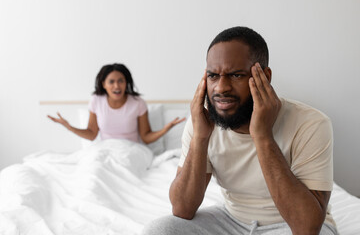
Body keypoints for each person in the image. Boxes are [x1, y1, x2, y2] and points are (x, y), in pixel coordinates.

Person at [142, 27, 338, 235]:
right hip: (231, 220)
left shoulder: (310, 123)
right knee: (159, 230)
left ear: (265, 76)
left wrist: (262, 136)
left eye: (235, 75)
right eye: (213, 76)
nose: (221, 88)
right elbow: (182, 208)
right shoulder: (202, 122)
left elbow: (307, 227)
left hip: (289, 227)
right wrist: (200, 137)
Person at [48, 63, 185, 145]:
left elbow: (146, 137)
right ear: (103, 84)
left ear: (127, 83)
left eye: (121, 81)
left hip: (130, 151)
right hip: (106, 150)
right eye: (111, 82)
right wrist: (69, 127)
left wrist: (165, 129)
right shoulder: (96, 100)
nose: (117, 86)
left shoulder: (138, 103)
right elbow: (91, 134)